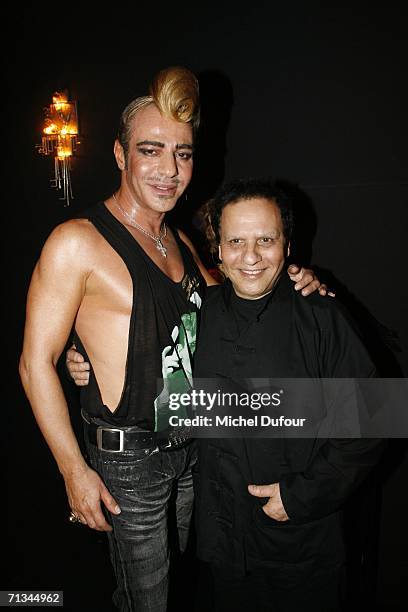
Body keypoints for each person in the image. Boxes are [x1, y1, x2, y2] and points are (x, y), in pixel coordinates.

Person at [19, 67, 323, 612]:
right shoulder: (76, 242)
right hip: (129, 460)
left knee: (180, 587)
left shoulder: (179, 239)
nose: (168, 170)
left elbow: (232, 302)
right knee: (148, 600)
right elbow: (32, 363)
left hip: (191, 450)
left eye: (182, 153)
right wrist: (73, 470)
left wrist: (295, 280)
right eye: (151, 150)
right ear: (120, 154)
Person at [190, 177, 384, 611]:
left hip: (301, 550)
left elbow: (374, 421)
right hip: (222, 547)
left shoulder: (321, 316)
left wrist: (299, 497)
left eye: (266, 240)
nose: (251, 256)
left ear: (287, 246)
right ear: (217, 249)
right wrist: (83, 363)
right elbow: (158, 380)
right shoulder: (197, 316)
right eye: (236, 241)